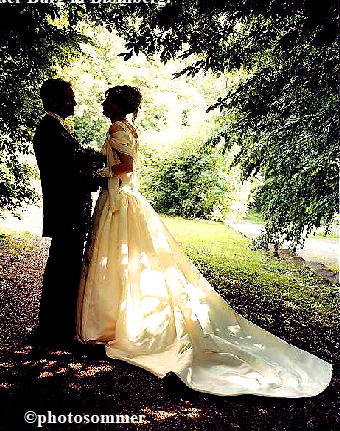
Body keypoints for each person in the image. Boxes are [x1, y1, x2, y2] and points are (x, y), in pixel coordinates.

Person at [76, 85, 332, 397]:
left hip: (118, 198)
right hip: (125, 198)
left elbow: (126, 167)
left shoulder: (117, 127)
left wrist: (97, 170)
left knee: (116, 257)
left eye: (107, 100)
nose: (103, 104)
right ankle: (120, 320)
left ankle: (113, 325)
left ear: (118, 106)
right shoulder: (130, 127)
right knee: (124, 258)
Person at [33, 78, 105, 347]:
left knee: (65, 268)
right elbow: (61, 176)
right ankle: (55, 332)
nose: (73, 102)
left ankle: (55, 328)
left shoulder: (56, 129)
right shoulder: (49, 130)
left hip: (70, 212)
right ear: (52, 101)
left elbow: (75, 162)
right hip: (66, 213)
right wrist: (98, 176)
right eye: (68, 98)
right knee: (63, 270)